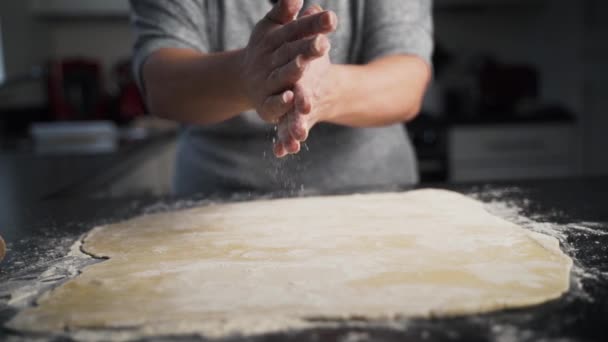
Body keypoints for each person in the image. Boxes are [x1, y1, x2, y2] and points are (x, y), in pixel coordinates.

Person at [130, 0, 433, 196]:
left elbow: (407, 84)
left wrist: (324, 90)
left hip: (374, 196)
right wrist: (246, 76)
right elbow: (161, 86)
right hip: (214, 206)